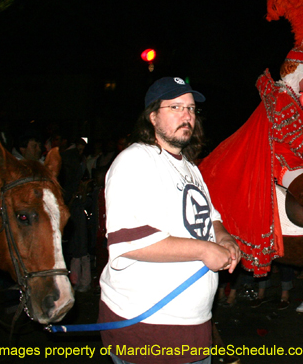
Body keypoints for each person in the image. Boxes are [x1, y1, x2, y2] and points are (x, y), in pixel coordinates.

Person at [199, 0, 303, 283]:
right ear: (296, 72)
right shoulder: (282, 98)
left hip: (297, 158)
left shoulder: (292, 100)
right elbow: (295, 139)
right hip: (282, 162)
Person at [98, 77, 240, 364]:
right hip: (147, 327)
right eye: (175, 107)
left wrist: (223, 238)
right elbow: (129, 242)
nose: (187, 115)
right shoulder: (135, 160)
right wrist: (204, 250)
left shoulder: (190, 168)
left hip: (196, 325)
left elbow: (210, 218)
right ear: (152, 116)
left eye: (190, 108)